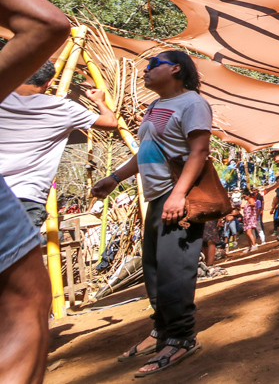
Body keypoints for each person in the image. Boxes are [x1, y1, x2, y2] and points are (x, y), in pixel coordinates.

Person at [91, 50, 213, 375]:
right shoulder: (155, 107)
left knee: (176, 271)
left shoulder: (192, 103)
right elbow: (146, 151)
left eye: (152, 65)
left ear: (175, 68)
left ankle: (182, 338)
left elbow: (199, 151)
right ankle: (162, 332)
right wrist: (114, 178)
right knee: (155, 269)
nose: (145, 70)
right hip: (159, 198)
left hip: (179, 198)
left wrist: (179, 194)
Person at [0, 0, 72, 384]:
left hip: (17, 195)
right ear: (46, 81)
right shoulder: (59, 109)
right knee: (23, 300)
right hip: (23, 197)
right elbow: (46, 22)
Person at [0, 61, 118, 229]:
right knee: (16, 254)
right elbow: (111, 123)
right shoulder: (63, 108)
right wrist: (99, 101)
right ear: (49, 82)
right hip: (25, 197)